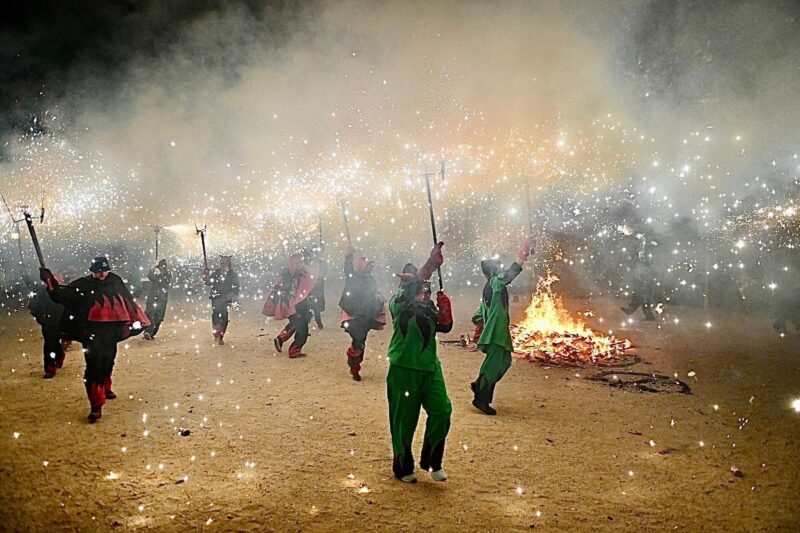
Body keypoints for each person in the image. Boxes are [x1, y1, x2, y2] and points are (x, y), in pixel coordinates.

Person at [40, 256, 150, 422]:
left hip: (111, 331)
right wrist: (50, 282)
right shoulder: (84, 284)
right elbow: (60, 295)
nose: (102, 275)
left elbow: (128, 300)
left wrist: (135, 320)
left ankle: (106, 386)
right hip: (91, 332)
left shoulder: (115, 280)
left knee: (108, 360)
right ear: (92, 271)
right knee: (93, 366)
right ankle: (96, 405)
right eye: (98, 272)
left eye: (104, 271)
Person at [386, 242, 453, 483]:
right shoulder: (398, 302)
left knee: (442, 410)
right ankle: (403, 467)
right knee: (404, 421)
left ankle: (433, 462)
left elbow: (443, 327)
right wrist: (430, 265)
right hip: (403, 367)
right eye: (415, 283)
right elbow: (410, 289)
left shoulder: (427, 304)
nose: (420, 289)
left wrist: (445, 310)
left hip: (430, 367)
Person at [470, 237, 536, 416]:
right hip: (495, 333)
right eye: (497, 266)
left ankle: (480, 384)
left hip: (496, 332)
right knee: (492, 366)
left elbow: (478, 313)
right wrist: (524, 252)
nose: (500, 267)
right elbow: (511, 273)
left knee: (504, 362)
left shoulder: (489, 286)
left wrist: (479, 324)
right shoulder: (494, 283)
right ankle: (481, 398)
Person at [339, 244, 385, 380]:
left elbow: (374, 293)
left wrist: (379, 298)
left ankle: (355, 365)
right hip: (354, 315)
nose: (370, 268)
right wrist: (348, 256)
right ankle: (354, 365)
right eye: (368, 265)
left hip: (367, 314)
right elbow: (347, 268)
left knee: (361, 342)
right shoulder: (353, 276)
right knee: (358, 340)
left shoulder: (371, 280)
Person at [263, 253, 320, 358]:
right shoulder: (298, 273)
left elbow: (278, 287)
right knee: (302, 328)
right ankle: (294, 350)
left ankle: (281, 338)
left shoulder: (288, 272)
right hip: (294, 304)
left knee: (298, 322)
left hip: (292, 304)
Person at [28, 271, 66, 379]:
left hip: (64, 322)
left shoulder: (65, 290)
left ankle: (59, 356)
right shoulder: (43, 292)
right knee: (50, 344)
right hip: (49, 323)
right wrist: (42, 320)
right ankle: (50, 368)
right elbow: (34, 307)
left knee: (57, 344)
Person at [203, 255, 240, 345]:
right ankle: (216, 334)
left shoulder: (232, 274)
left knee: (224, 317)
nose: (223, 264)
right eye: (222, 262)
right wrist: (206, 276)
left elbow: (236, 288)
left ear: (229, 263)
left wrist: (229, 295)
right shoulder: (216, 273)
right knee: (216, 315)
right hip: (216, 297)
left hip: (226, 299)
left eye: (225, 262)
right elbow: (208, 282)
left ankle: (221, 335)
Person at [143, 258, 171, 340]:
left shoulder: (167, 274)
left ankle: (152, 333)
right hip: (152, 296)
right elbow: (150, 277)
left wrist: (160, 275)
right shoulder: (154, 272)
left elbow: (165, 282)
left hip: (162, 298)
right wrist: (152, 269)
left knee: (158, 316)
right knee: (150, 314)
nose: (161, 268)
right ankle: (148, 332)